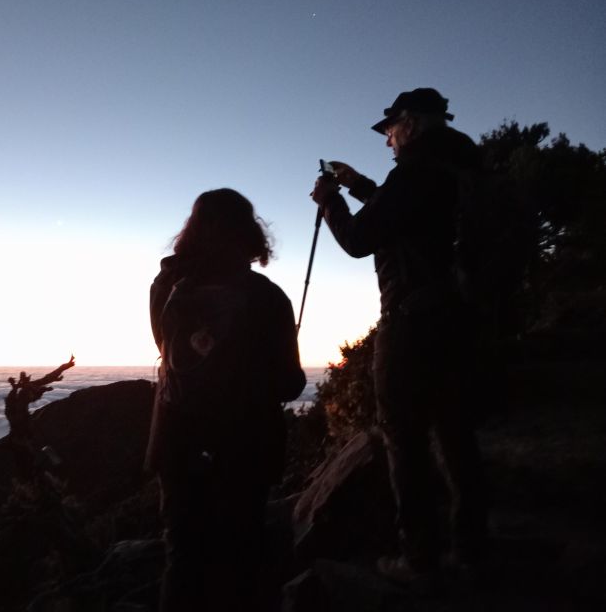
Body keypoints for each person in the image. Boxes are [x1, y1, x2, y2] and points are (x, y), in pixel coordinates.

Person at [311, 88, 489, 586]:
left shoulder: (412, 173)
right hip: (461, 317)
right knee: (456, 432)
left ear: (409, 123)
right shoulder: (462, 168)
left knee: (404, 439)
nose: (388, 141)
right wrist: (359, 184)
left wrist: (329, 202)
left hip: (412, 324)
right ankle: (472, 548)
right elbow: (408, 218)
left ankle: (419, 558)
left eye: (390, 130)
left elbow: (358, 240)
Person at [147, 188, 306, 612]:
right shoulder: (269, 297)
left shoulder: (165, 286)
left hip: (177, 439)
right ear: (249, 233)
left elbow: (169, 351)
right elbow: (289, 384)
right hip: (245, 445)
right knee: (240, 557)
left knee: (182, 558)